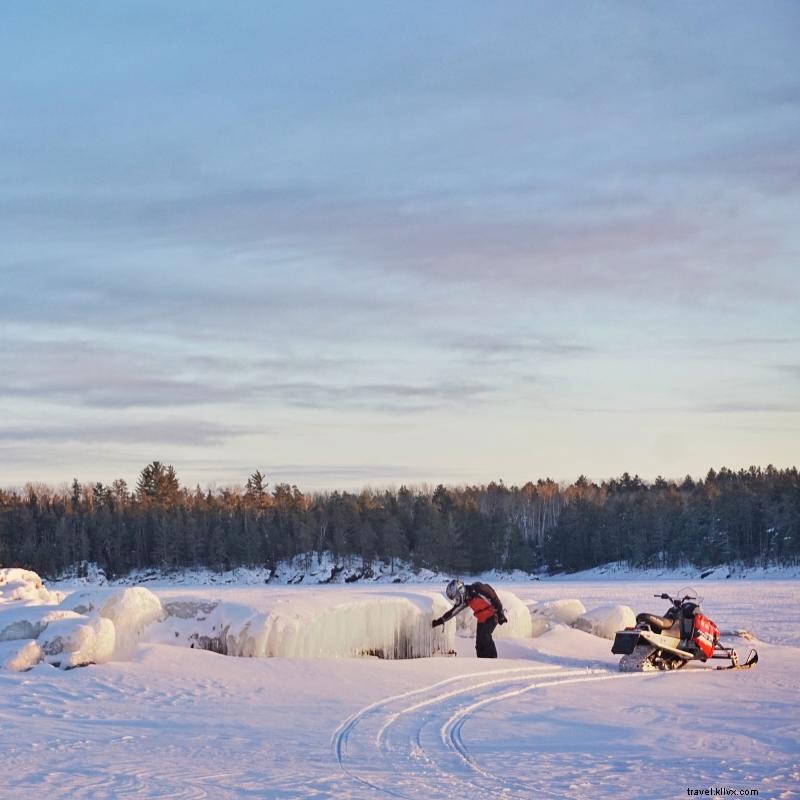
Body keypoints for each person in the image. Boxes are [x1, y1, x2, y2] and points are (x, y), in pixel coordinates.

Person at [431, 578, 508, 658]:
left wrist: (500, 612)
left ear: (460, 590)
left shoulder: (477, 588)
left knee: (485, 636)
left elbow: (492, 594)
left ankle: (493, 660)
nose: (457, 600)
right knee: (479, 644)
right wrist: (440, 621)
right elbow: (453, 612)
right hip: (482, 619)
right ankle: (481, 662)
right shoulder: (465, 601)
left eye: (456, 597)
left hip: (493, 614)